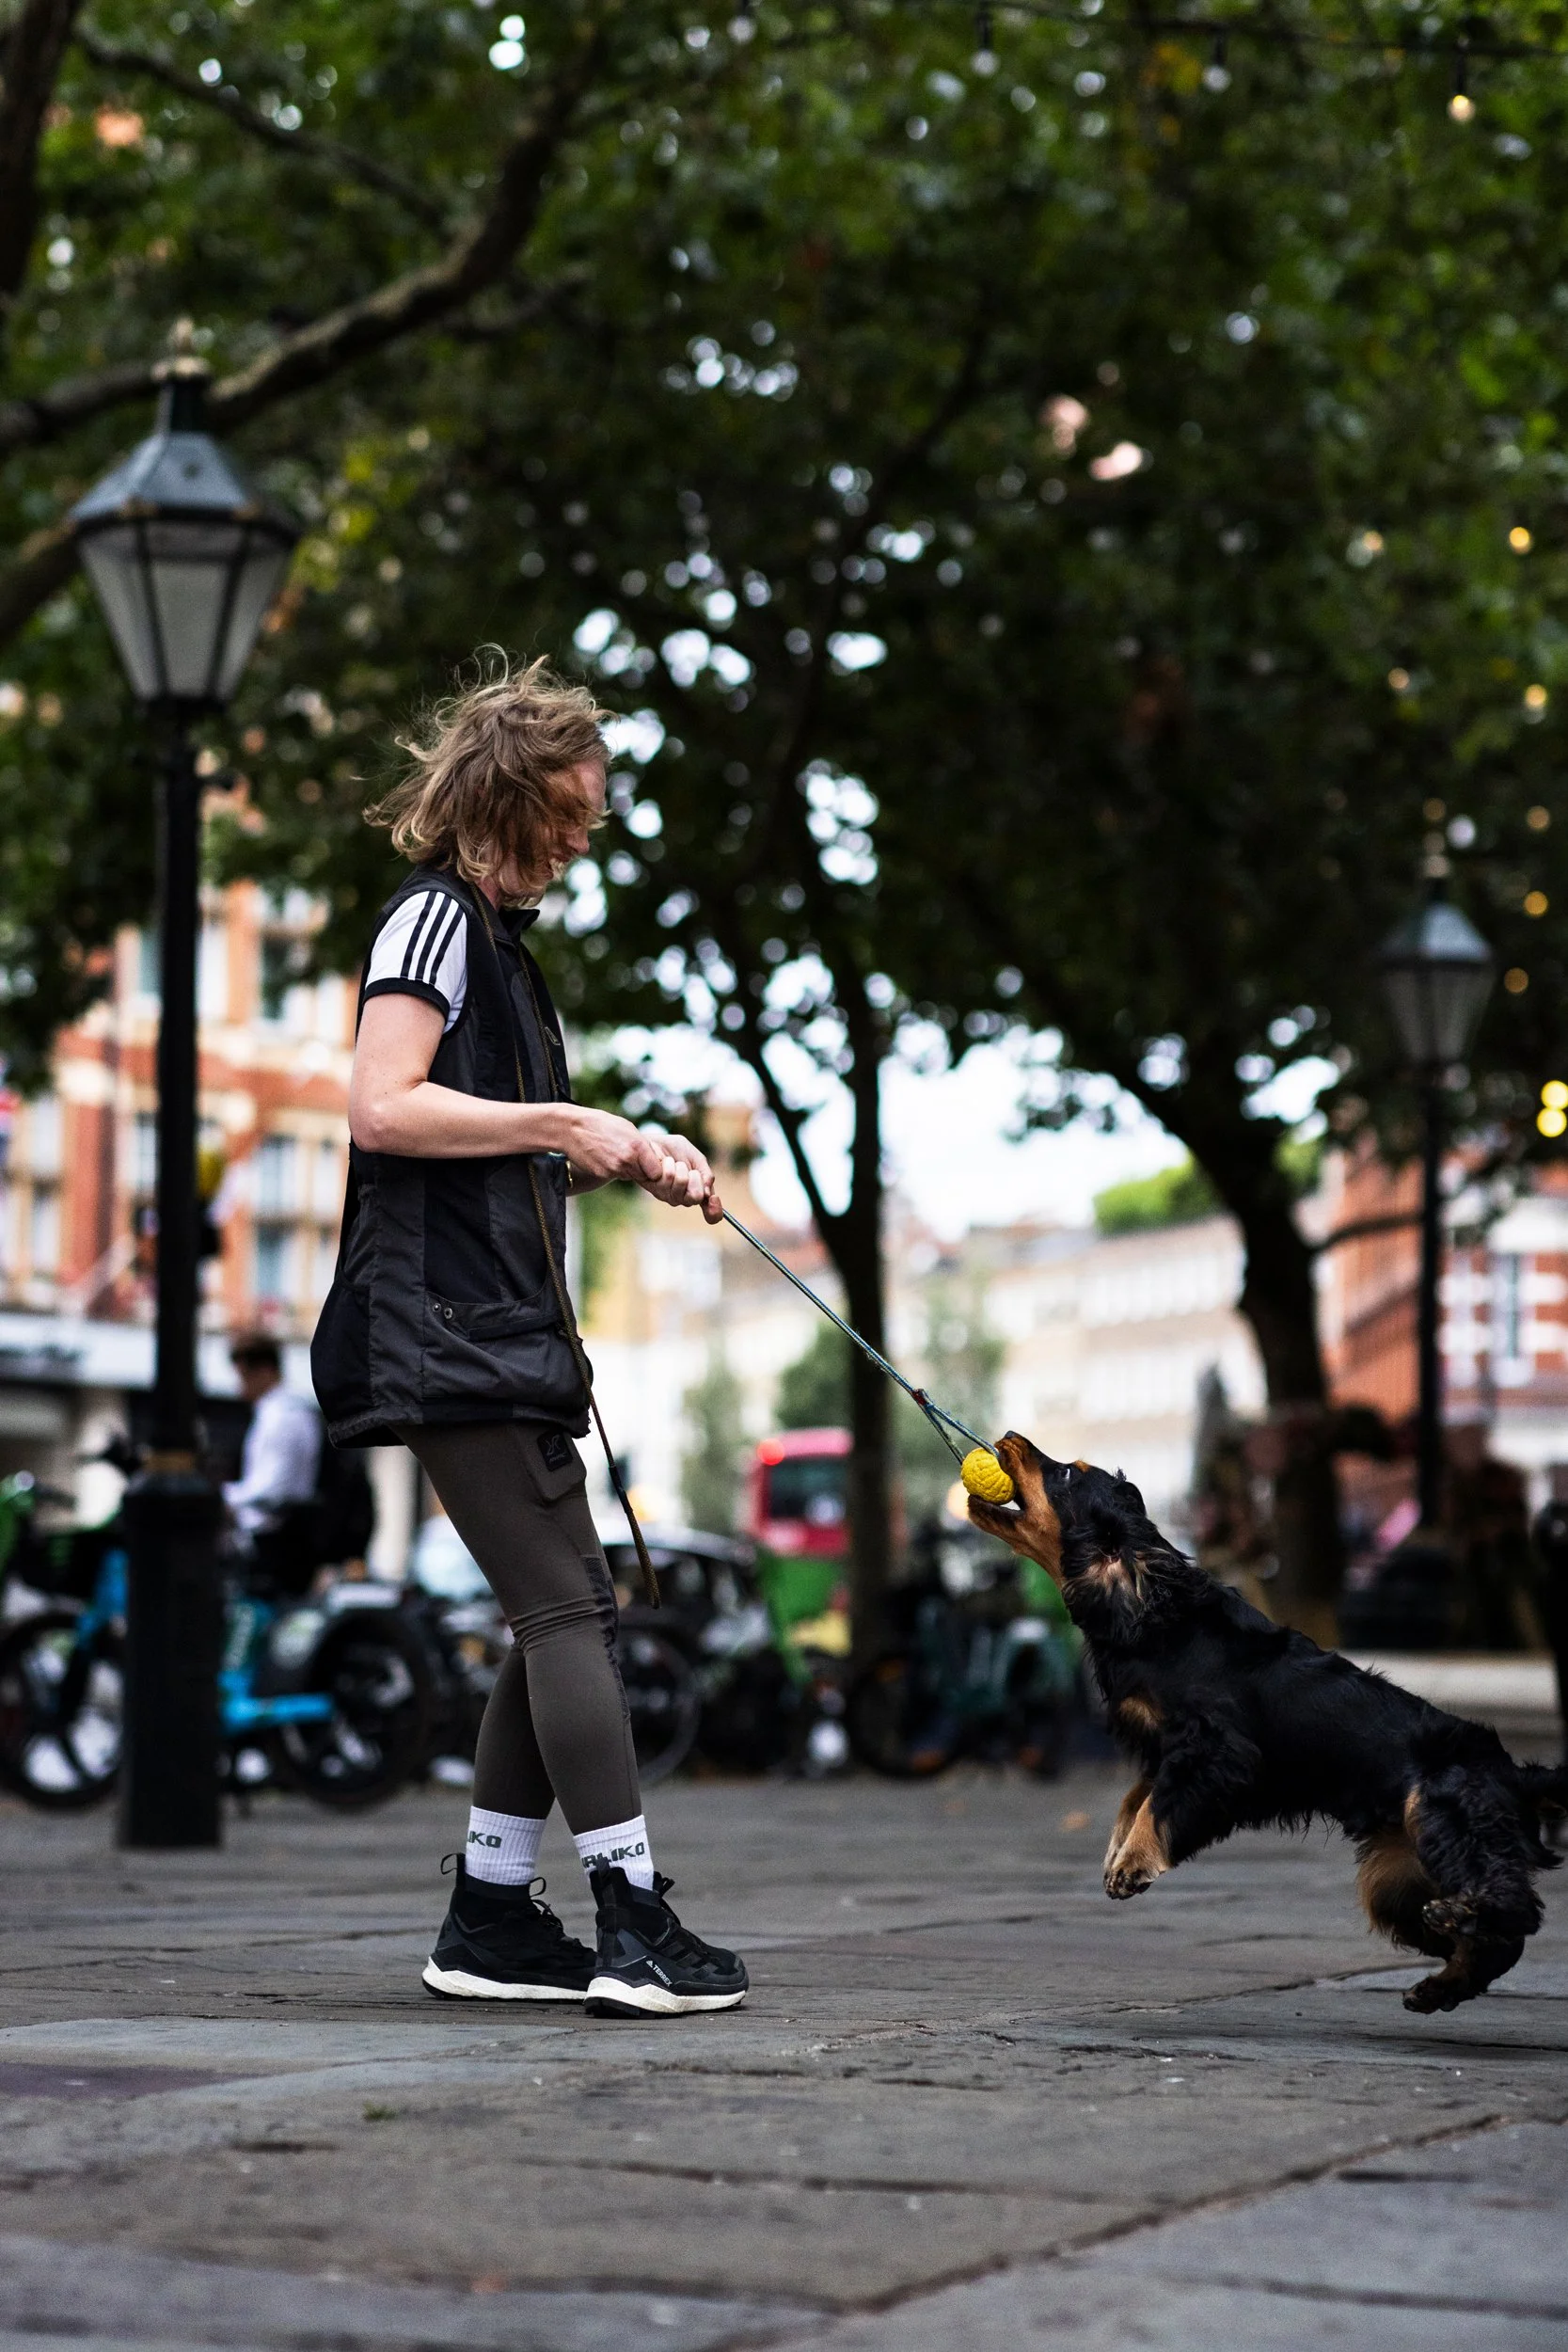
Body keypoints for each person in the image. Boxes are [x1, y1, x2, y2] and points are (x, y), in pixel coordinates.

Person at [311, 657, 747, 2019]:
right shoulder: (430, 921)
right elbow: (382, 1107)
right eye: (567, 814)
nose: (580, 839)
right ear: (504, 795)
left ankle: (493, 1914)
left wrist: (624, 1152)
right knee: (565, 1612)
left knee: (564, 1609)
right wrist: (563, 1125)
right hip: (445, 1331)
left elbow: (483, 1149)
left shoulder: (495, 944)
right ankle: (631, 1919)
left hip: (487, 1327)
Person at [224, 1331, 323, 1541]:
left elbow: (273, 1489)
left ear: (265, 1372)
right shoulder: (287, 1411)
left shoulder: (281, 1417)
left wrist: (226, 1497)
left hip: (275, 1538)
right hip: (280, 1533)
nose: (240, 1389)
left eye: (244, 1377)